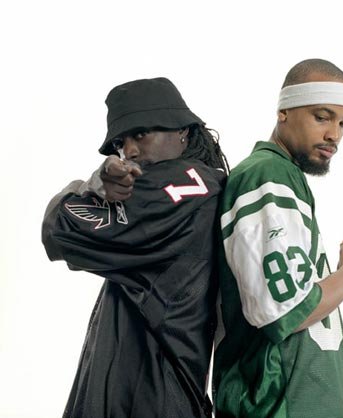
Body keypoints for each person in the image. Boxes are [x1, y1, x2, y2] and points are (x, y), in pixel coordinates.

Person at [42, 77, 229, 418]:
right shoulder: (207, 184)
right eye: (120, 142)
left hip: (145, 394)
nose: (128, 151)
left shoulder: (181, 185)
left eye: (140, 134)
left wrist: (88, 185)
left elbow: (58, 230)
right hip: (165, 389)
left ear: (182, 130)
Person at [212, 59, 343, 418]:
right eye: (322, 117)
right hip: (276, 403)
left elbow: (287, 295)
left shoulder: (285, 174)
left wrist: (342, 279)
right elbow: (285, 311)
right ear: (284, 112)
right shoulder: (267, 173)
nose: (334, 135)